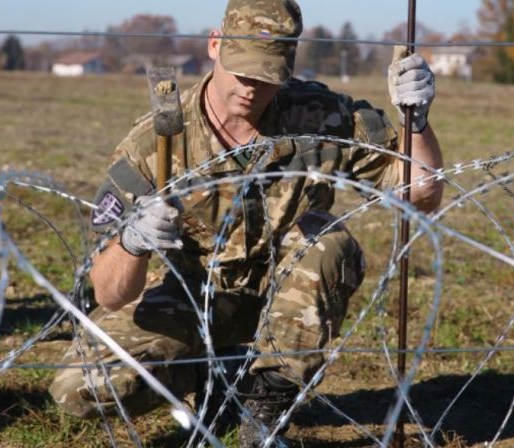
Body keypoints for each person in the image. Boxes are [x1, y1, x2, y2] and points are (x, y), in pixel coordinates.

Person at [50, 0, 443, 445]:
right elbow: (108, 291)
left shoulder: (321, 116)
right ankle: (209, 376)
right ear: (215, 46)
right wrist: (132, 242)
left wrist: (417, 121)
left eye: (268, 77)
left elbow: (420, 194)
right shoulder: (154, 144)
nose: (252, 89)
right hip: (191, 301)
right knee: (80, 389)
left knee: (327, 239)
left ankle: (266, 403)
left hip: (285, 302)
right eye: (243, 73)